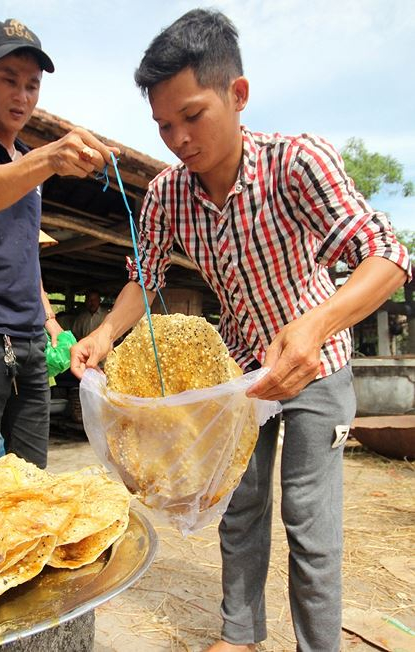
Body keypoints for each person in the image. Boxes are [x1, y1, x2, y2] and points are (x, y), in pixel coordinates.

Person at [71, 9, 410, 651]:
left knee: (309, 520)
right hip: (239, 380)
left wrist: (315, 325)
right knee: (240, 507)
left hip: (317, 364)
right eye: (164, 125)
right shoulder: (168, 193)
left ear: (238, 93)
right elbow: (144, 275)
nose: (178, 138)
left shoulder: (295, 163)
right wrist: (106, 334)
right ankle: (240, 635)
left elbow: (388, 254)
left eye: (192, 116)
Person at [0, 18, 117, 469]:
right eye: (9, 81)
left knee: (31, 485)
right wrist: (48, 158)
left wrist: (54, 327)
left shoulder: (30, 169)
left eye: (32, 86)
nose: (22, 97)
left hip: (32, 347)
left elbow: (25, 259)